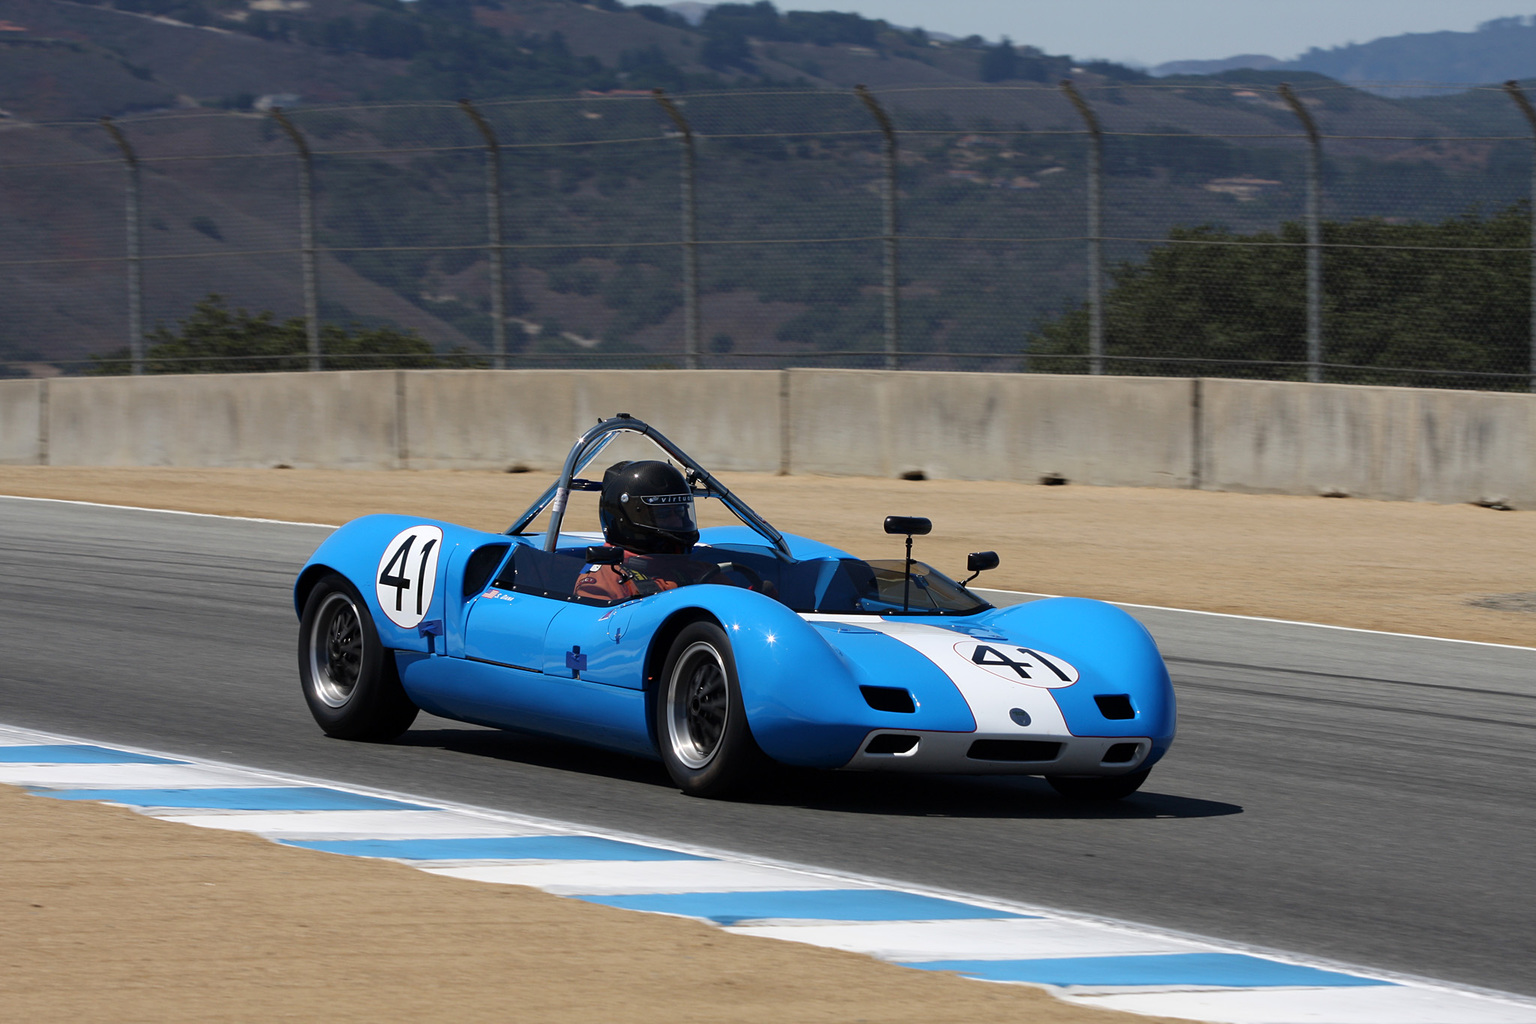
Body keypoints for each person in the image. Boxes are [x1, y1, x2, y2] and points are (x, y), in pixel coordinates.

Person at [573, 460, 720, 602]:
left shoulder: (696, 567)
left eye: (680, 512)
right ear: (629, 517)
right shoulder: (606, 579)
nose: (678, 521)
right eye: (664, 514)